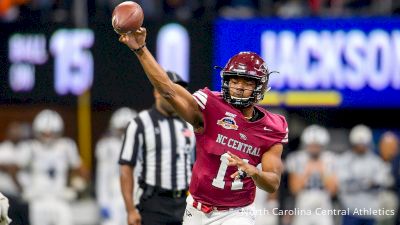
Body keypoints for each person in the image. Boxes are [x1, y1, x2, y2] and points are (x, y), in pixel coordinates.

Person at [118, 27, 288, 225]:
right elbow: (168, 90)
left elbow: (273, 182)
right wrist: (141, 50)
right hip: (196, 209)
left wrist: (254, 171)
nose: (239, 87)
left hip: (236, 213)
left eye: (247, 82)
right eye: (234, 80)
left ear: (259, 86)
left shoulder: (272, 126)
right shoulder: (210, 105)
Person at [119, 71, 196, 225]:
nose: (174, 97)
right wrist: (130, 210)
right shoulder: (140, 123)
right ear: (157, 92)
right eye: (169, 92)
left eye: (177, 92)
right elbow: (126, 168)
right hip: (153, 202)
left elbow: (195, 165)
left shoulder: (189, 124)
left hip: (185, 202)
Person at [19, 109, 87, 225]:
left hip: (60, 198)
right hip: (38, 198)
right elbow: (16, 169)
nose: (48, 137)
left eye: (51, 133)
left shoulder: (66, 146)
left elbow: (82, 170)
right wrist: (24, 187)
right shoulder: (30, 147)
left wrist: (76, 187)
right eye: (44, 133)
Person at [337, 124, 390, 225]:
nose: (361, 146)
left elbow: (380, 184)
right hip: (351, 210)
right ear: (353, 143)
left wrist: (359, 183)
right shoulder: (344, 160)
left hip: (370, 211)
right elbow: (344, 186)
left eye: (364, 143)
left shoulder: (376, 161)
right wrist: (367, 183)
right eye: (358, 143)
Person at [286, 125, 337, 225]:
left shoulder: (330, 159)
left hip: (323, 202)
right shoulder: (297, 158)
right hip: (304, 200)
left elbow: (333, 190)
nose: (314, 149)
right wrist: (306, 172)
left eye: (317, 145)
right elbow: (294, 189)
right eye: (311, 145)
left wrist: (323, 172)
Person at [96, 107, 137, 225]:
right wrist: (103, 202)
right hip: (114, 195)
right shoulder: (106, 145)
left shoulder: (142, 145)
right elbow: (102, 176)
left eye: (127, 129)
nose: (124, 133)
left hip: (136, 196)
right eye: (121, 129)